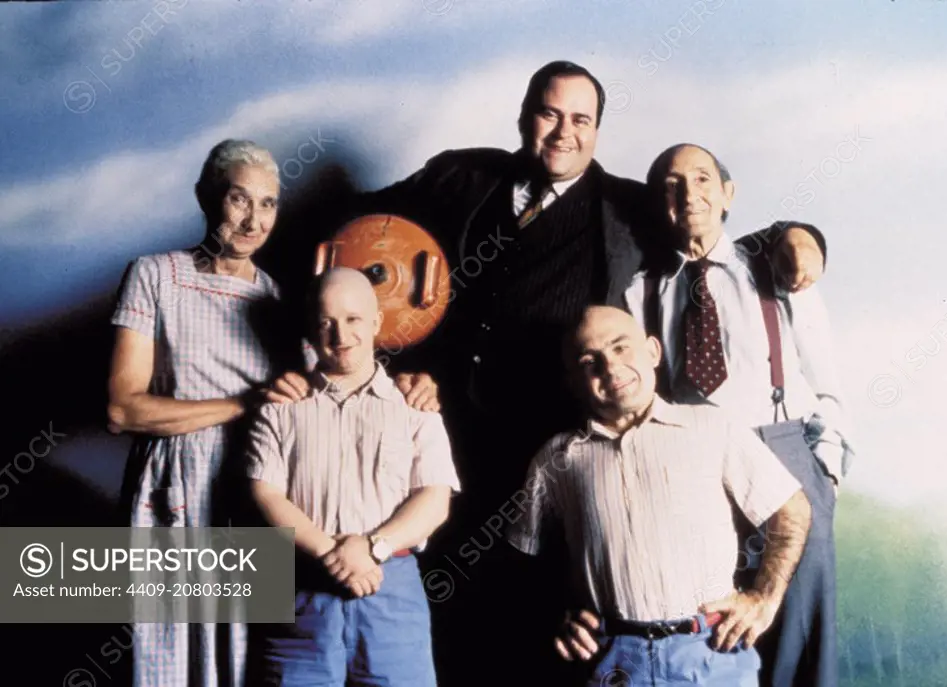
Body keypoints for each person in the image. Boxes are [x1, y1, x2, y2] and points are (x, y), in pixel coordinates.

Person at [270, 61, 829, 686]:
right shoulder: (461, 174)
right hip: (434, 437)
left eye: (581, 119)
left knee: (538, 630)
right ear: (524, 115)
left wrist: (793, 235)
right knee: (433, 618)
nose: (563, 131)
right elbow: (348, 237)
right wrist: (340, 362)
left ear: (597, 131)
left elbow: (704, 228)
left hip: (550, 452)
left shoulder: (624, 206)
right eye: (549, 113)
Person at [561, 143, 853, 686]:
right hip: (691, 472)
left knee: (796, 641)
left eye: (700, 180)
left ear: (727, 195)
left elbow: (827, 383)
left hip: (782, 455)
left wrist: (825, 477)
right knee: (711, 632)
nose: (688, 194)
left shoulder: (777, 271)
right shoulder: (638, 290)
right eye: (671, 186)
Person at [507, 305, 812, 687]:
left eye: (621, 348)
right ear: (572, 380)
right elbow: (520, 560)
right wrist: (555, 615)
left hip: (713, 655)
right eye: (590, 361)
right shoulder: (555, 459)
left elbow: (792, 509)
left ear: (653, 350)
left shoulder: (712, 425)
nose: (611, 368)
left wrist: (764, 599)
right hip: (611, 663)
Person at [108, 139, 297, 687]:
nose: (253, 220)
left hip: (253, 489)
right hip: (171, 488)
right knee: (161, 655)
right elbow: (123, 408)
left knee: (243, 659)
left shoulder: (280, 302)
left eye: (268, 205)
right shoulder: (155, 275)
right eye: (240, 200)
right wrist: (243, 404)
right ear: (206, 198)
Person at [245, 267, 460, 686]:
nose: (340, 335)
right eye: (326, 323)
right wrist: (334, 554)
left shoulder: (415, 406)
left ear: (378, 321)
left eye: (354, 319)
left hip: (390, 586)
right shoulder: (279, 407)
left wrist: (372, 548)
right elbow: (265, 492)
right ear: (311, 329)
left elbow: (435, 498)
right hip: (298, 585)